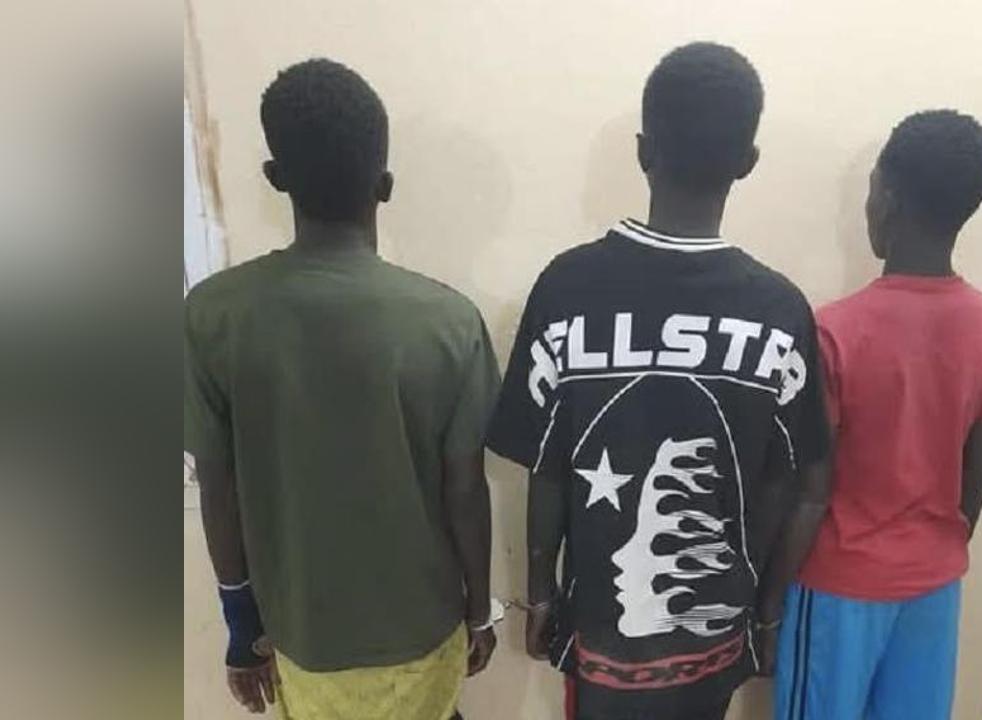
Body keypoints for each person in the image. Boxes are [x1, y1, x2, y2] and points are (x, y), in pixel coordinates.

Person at [486, 42, 832, 720]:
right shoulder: (780, 311)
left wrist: (541, 593)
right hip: (714, 642)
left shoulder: (567, 288)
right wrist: (765, 613)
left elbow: (546, 467)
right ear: (748, 161)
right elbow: (792, 481)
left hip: (599, 637)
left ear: (644, 152)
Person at [184, 58, 500, 720]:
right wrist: (479, 611)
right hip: (421, 629)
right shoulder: (450, 322)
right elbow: (465, 488)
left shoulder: (213, 316)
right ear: (384, 186)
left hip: (300, 634)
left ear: (275, 178)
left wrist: (242, 629)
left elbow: (218, 484)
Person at [774, 110, 982, 720]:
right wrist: (925, 550)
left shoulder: (833, 332)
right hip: (934, 587)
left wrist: (767, 604)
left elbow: (810, 489)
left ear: (885, 199)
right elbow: (976, 478)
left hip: (839, 585)